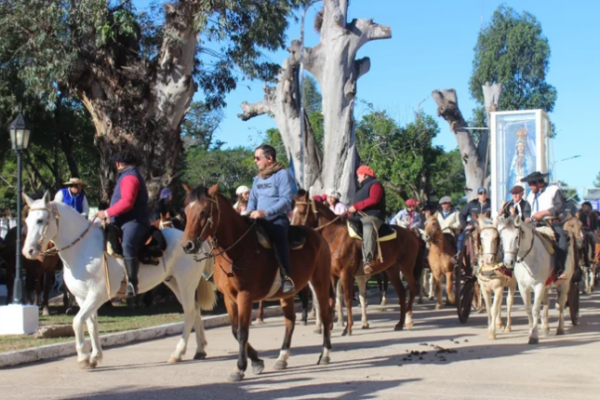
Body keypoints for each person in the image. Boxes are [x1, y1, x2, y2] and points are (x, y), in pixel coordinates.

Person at [96, 151, 150, 298]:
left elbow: (127, 202)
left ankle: (132, 283)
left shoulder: (130, 177)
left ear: (118, 164)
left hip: (134, 221)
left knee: (127, 244)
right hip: (122, 221)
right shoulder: (127, 176)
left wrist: (107, 213)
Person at [246, 144, 295, 294]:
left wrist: (265, 212)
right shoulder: (257, 179)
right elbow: (252, 200)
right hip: (257, 219)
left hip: (276, 219)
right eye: (254, 158)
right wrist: (248, 214)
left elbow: (286, 200)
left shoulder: (282, 174)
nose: (255, 161)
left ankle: (286, 277)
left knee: (278, 237)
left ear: (269, 158)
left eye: (257, 158)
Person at [521, 171, 568, 281]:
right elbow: (527, 210)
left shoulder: (553, 190)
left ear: (538, 182)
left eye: (531, 184)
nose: (529, 186)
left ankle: (560, 270)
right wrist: (527, 217)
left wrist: (543, 213)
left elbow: (560, 206)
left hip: (552, 223)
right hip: (534, 225)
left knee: (562, 244)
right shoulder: (530, 195)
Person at [348, 165, 386, 275]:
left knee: (368, 227)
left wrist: (356, 206)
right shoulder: (361, 189)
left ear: (364, 175)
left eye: (358, 175)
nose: (357, 178)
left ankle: (367, 261)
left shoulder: (376, 184)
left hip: (372, 216)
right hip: (358, 216)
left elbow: (374, 200)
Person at [454, 187, 491, 263]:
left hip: (486, 227)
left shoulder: (491, 204)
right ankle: (458, 255)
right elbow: (461, 215)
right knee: (461, 237)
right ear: (478, 195)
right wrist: (465, 226)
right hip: (473, 226)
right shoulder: (472, 204)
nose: (483, 195)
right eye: (481, 193)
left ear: (487, 195)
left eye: (484, 193)